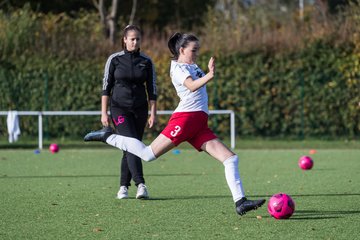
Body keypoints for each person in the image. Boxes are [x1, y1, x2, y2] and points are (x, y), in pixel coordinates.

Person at [85, 32, 265, 215]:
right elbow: (192, 86)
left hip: (199, 124)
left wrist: (207, 74)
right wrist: (210, 75)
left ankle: (240, 202)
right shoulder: (178, 68)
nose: (197, 53)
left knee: (230, 159)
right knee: (148, 154)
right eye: (193, 50)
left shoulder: (191, 65)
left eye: (198, 50)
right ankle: (107, 136)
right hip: (186, 119)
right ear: (181, 50)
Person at [100, 25, 157, 199]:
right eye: (132, 38)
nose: (135, 41)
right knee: (132, 143)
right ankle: (141, 185)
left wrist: (153, 113)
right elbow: (106, 87)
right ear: (124, 40)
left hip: (140, 110)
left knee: (130, 147)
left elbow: (152, 89)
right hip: (119, 109)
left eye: (138, 39)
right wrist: (104, 113)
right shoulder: (114, 59)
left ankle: (123, 187)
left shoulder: (147, 61)